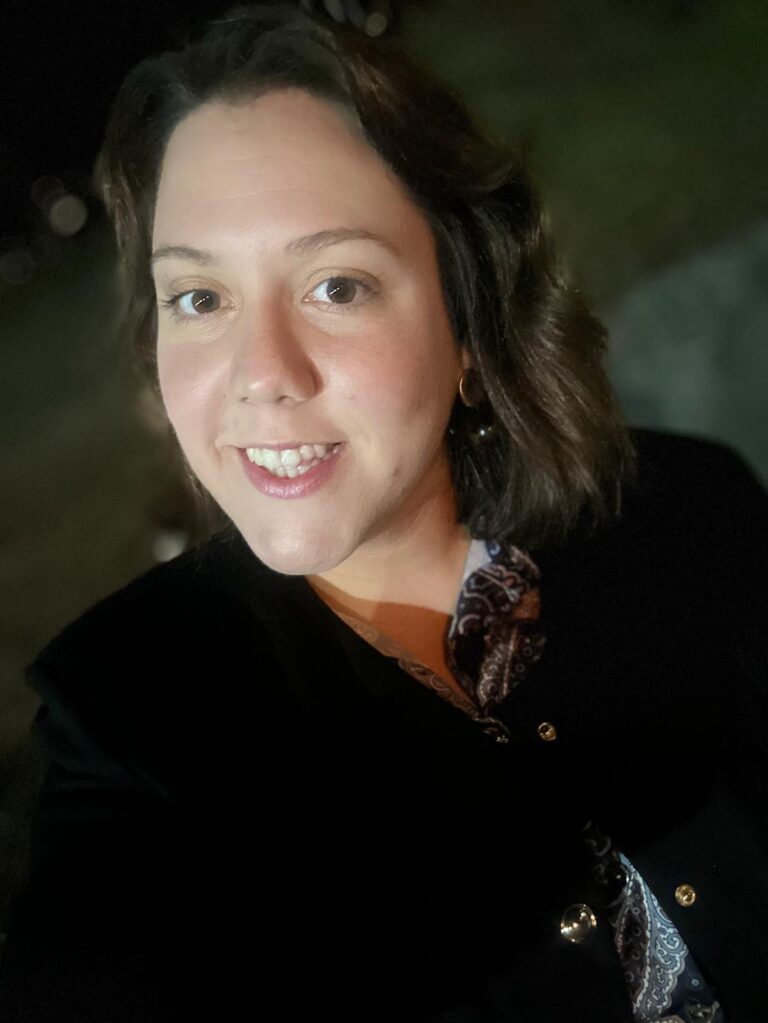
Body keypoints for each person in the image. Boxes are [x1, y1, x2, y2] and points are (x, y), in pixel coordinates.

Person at [1, 4, 766, 1021]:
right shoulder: (137, 730)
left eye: (337, 285)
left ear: (469, 319)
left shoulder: (686, 510)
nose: (262, 373)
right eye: (199, 298)